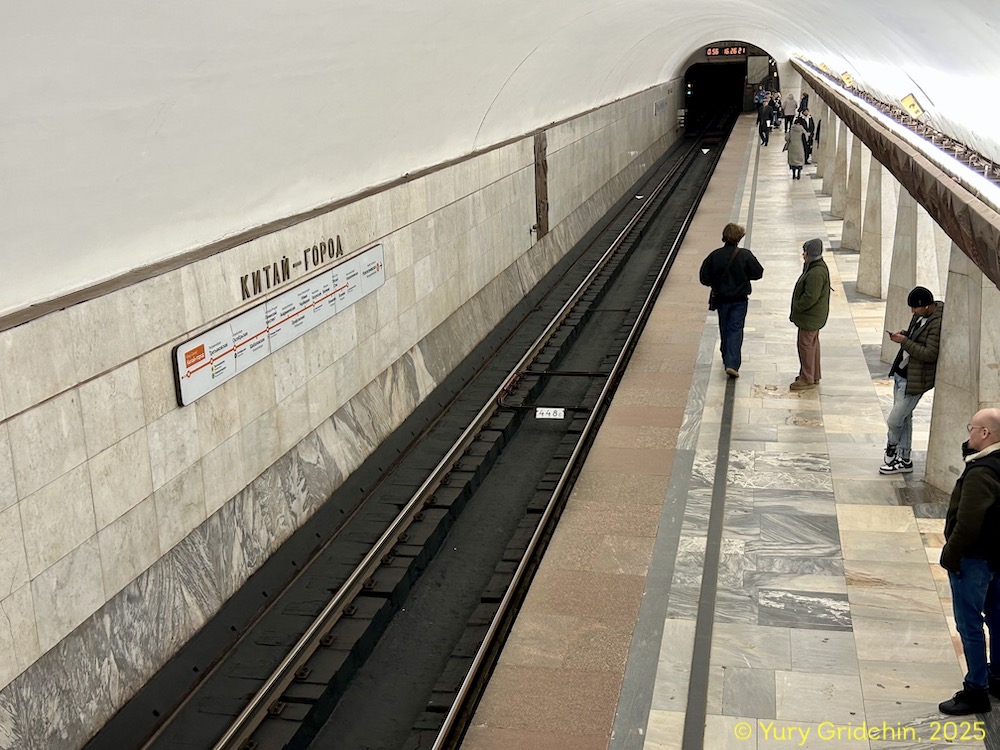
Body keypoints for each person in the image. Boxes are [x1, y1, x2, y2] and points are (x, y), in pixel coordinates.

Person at [937, 407, 1000, 716]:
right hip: (996, 557)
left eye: (972, 428)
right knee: (998, 619)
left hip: (973, 560)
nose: (969, 434)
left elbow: (968, 521)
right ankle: (998, 675)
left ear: (985, 434)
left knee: (970, 625)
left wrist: (951, 555)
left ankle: (976, 689)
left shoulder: (983, 472)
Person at [879, 286, 943, 474]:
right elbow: (916, 339)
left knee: (895, 419)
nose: (912, 312)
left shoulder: (937, 323)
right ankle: (905, 459)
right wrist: (906, 335)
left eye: (915, 308)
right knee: (904, 418)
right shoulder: (919, 316)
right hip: (902, 373)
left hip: (915, 380)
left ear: (925, 306)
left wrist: (904, 342)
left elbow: (930, 353)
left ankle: (892, 445)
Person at [699, 223, 765, 379]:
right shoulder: (745, 255)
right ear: (739, 238)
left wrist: (716, 283)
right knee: (735, 329)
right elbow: (758, 273)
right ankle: (732, 363)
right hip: (739, 299)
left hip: (721, 299)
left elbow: (704, 277)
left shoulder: (714, 255)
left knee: (724, 327)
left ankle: (725, 356)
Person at [789, 238, 830, 390]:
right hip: (814, 316)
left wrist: (797, 306)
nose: (803, 255)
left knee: (805, 346)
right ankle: (813, 375)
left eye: (805, 252)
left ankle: (807, 378)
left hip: (810, 316)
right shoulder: (816, 267)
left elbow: (810, 296)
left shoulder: (816, 272)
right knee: (812, 345)